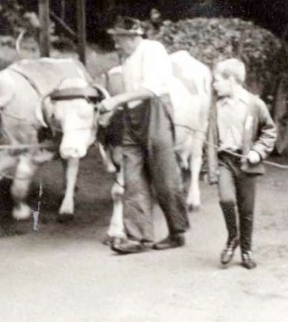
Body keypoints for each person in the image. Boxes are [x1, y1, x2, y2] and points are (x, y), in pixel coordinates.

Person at [98, 17, 189, 254]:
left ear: (132, 37)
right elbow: (131, 95)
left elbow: (153, 89)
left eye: (118, 39)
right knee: (132, 176)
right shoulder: (126, 59)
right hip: (132, 115)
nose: (116, 44)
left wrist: (117, 100)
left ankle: (177, 231)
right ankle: (138, 237)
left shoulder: (153, 50)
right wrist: (114, 110)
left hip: (156, 111)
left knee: (164, 176)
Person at [206, 58, 277, 269]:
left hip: (246, 163)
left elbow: (269, 131)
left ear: (232, 80)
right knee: (226, 200)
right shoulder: (216, 106)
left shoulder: (255, 104)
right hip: (225, 161)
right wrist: (209, 166)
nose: (214, 85)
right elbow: (210, 138)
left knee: (246, 209)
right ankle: (232, 238)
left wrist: (257, 152)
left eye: (217, 80)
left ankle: (246, 250)